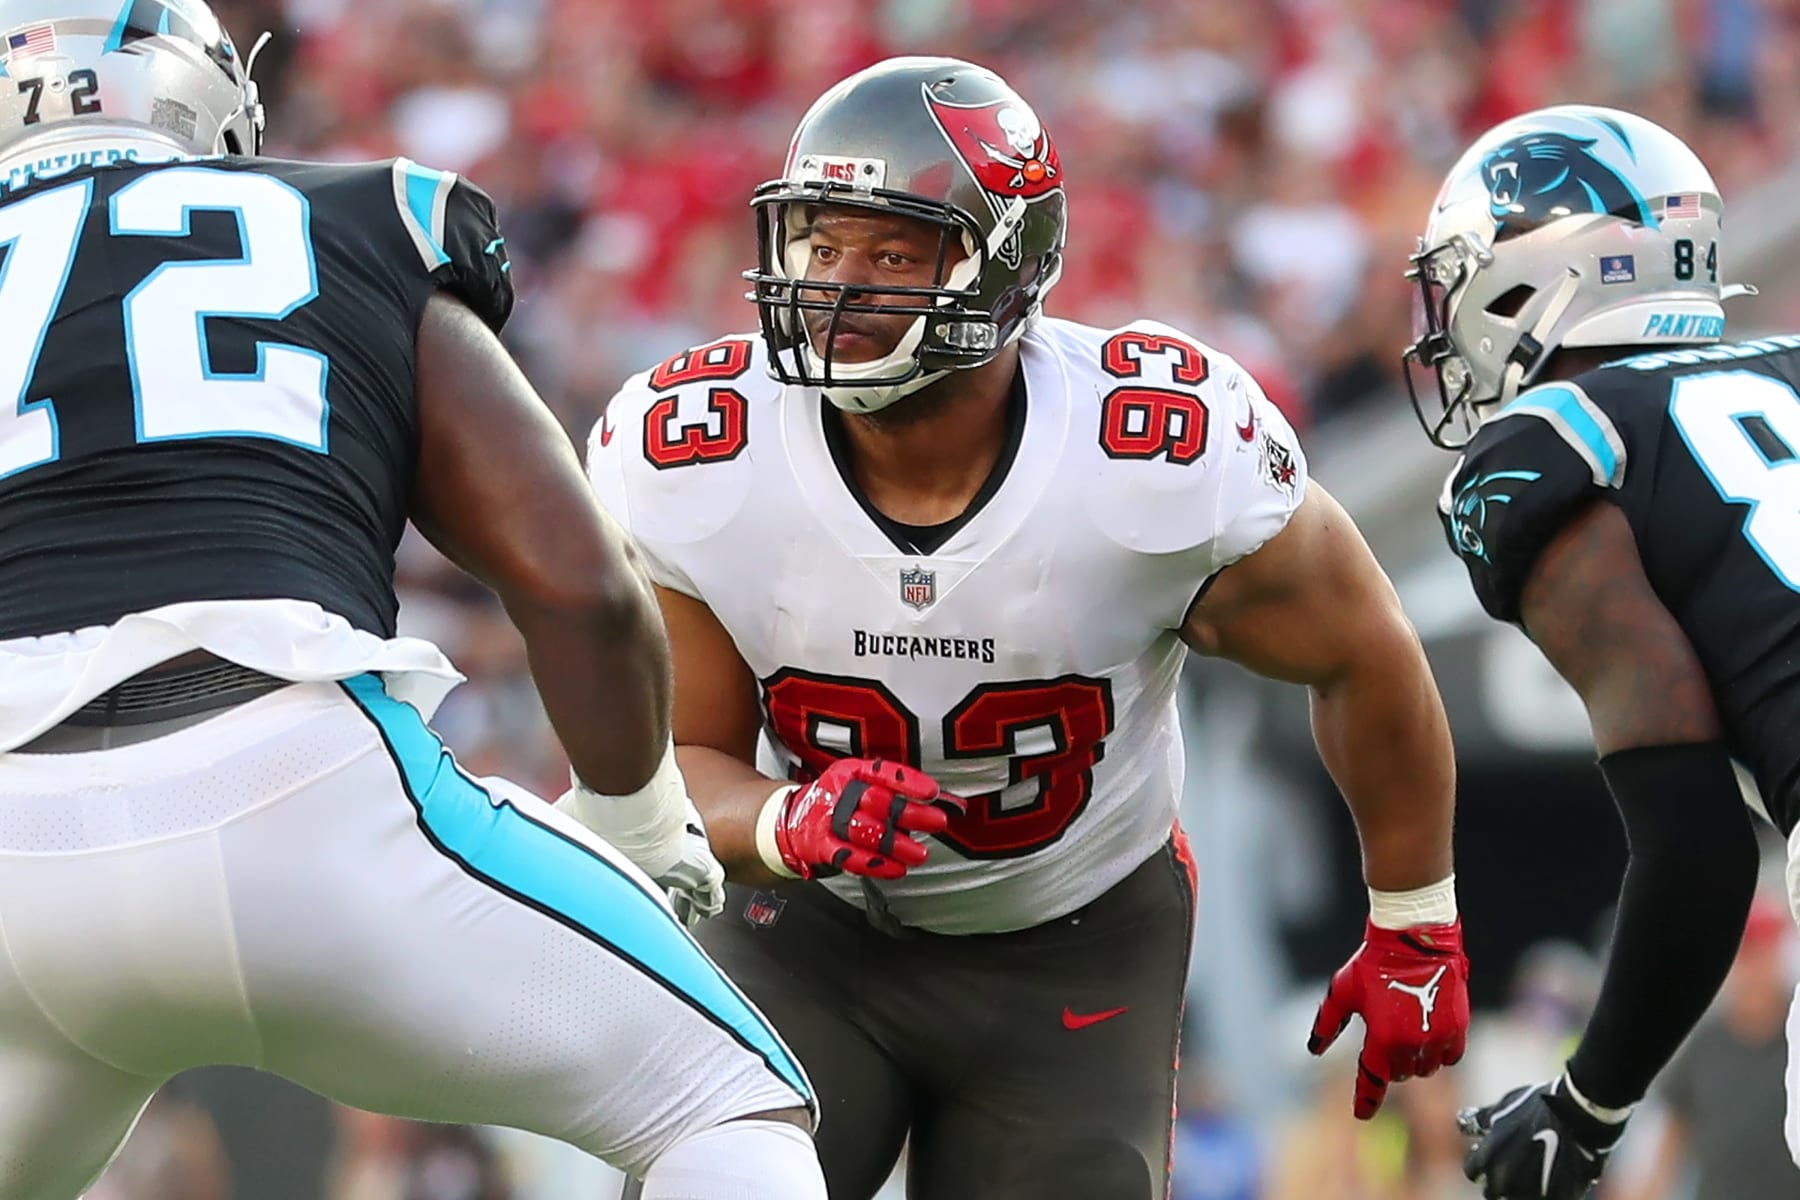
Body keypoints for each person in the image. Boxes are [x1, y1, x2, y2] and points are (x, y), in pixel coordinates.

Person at [589, 55, 1469, 1200]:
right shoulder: (704, 453)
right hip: (805, 928)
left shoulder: (1154, 456)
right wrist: (787, 815)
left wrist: (1415, 918)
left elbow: (1364, 651)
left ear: (1009, 263)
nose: (838, 289)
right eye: (819, 243)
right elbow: (673, 769)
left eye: (894, 252)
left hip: (1075, 942)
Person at [0, 2, 823, 1197]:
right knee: (722, 1102)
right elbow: (578, 581)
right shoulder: (346, 218)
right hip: (292, 781)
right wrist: (642, 827)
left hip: (16, 858)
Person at [1404, 102, 1783, 1198]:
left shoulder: (1553, 449)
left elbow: (1697, 840)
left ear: (1537, 277)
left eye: (1462, 278)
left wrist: (1587, 1106)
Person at [1625, 894, 1800, 1200]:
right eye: (1745, 955)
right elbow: (1669, 1146)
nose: (1753, 968)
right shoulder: (1703, 1046)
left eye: (1763, 952)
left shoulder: (1795, 1032)